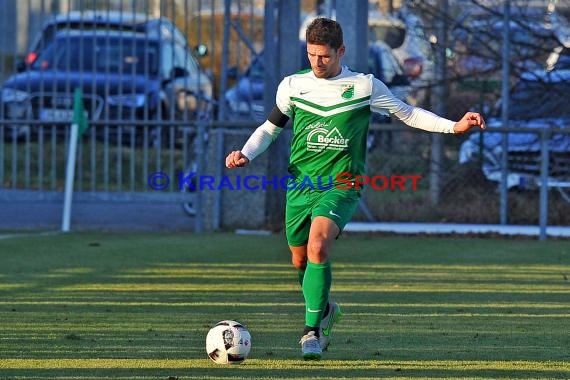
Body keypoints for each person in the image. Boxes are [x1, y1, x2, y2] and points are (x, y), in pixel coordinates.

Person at [225, 17, 485, 360]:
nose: (317, 62)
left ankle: (311, 332)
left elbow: (408, 113)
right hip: (302, 184)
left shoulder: (364, 87)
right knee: (300, 258)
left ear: (340, 52)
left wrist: (454, 127)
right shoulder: (291, 85)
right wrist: (245, 152)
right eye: (311, 54)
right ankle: (326, 309)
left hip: (342, 184)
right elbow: (270, 128)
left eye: (324, 56)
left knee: (318, 245)